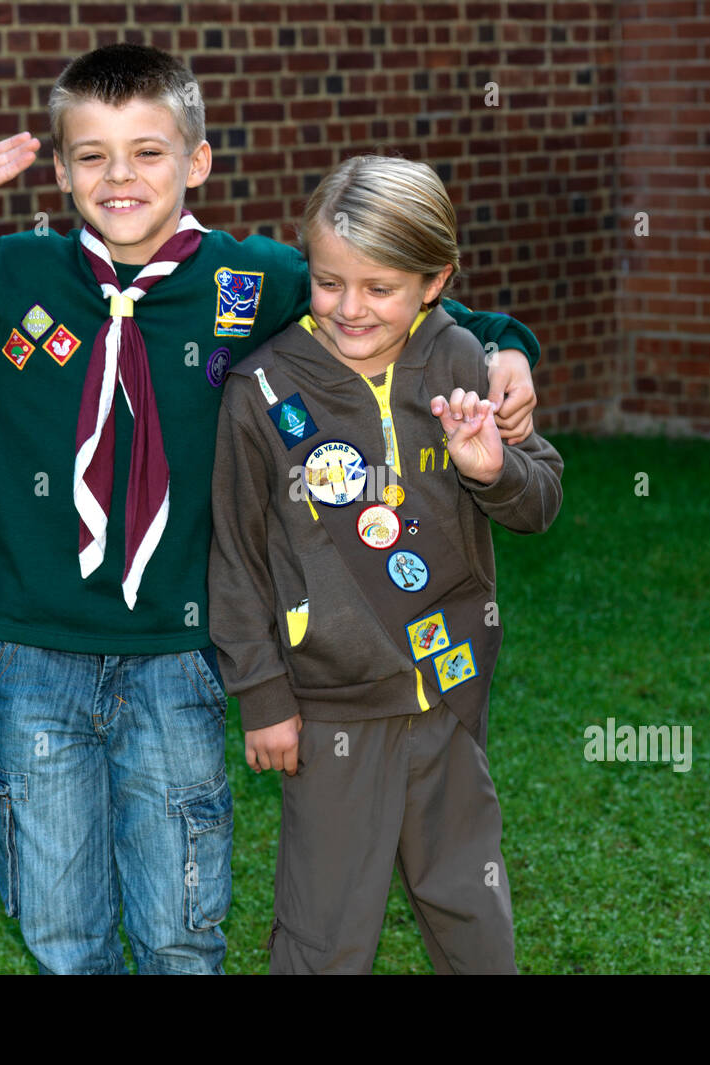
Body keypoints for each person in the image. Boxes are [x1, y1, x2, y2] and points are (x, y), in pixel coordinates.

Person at [0, 43, 543, 974]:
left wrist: (507, 350)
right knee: (59, 921)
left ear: (198, 161)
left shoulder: (252, 282)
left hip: (181, 658)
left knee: (181, 915)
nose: (120, 175)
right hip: (37, 649)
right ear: (58, 170)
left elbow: (390, 298)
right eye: (91, 154)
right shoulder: (13, 278)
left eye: (148, 150)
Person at [208, 154, 564, 974]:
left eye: (380, 287)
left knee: (471, 908)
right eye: (329, 283)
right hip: (330, 707)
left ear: (435, 280)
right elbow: (233, 559)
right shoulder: (261, 390)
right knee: (323, 932)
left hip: (449, 693)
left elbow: (540, 500)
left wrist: (491, 470)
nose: (350, 309)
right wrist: (262, 695)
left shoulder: (464, 362)